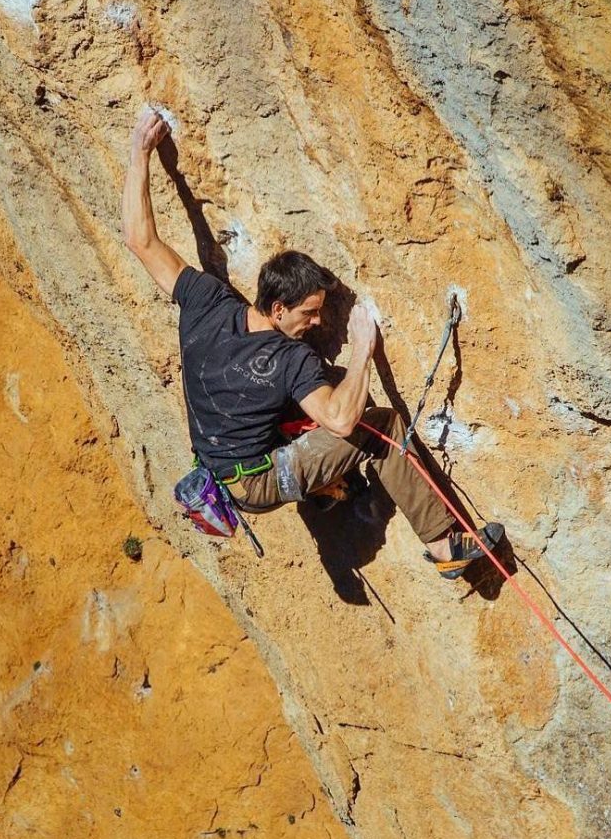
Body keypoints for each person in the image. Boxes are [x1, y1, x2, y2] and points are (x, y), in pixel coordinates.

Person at [122, 108, 503, 579]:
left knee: (295, 412)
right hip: (257, 481)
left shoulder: (208, 302)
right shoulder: (290, 359)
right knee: (379, 426)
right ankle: (447, 548)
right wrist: (364, 349)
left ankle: (330, 484)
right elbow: (342, 420)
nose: (318, 322)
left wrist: (141, 150)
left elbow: (140, 241)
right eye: (310, 311)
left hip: (216, 469)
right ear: (278, 308)